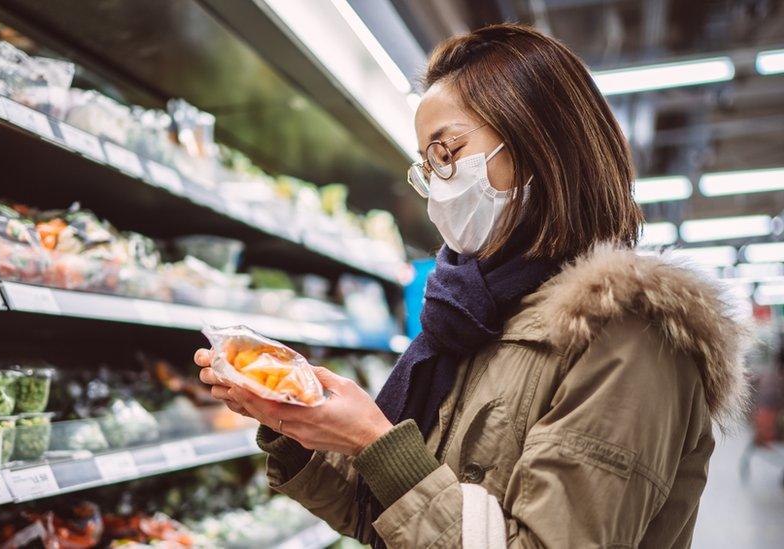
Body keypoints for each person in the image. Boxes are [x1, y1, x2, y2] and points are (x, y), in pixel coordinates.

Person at [195, 24, 748, 548]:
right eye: (426, 167)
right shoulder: (482, 315)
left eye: (448, 152)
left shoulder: (629, 339)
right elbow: (392, 524)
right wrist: (299, 423)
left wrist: (374, 442)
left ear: (540, 141)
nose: (437, 187)